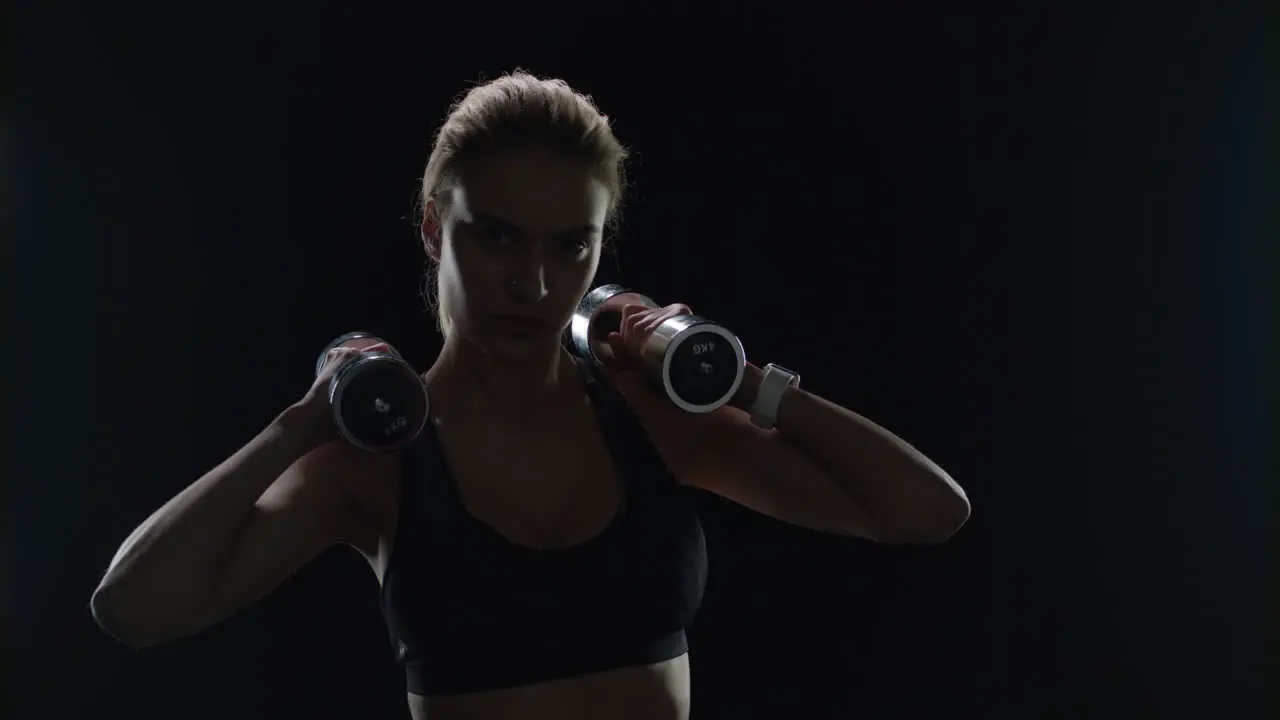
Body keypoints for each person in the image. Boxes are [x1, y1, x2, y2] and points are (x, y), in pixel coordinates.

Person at [90, 71, 971, 720]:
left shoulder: (655, 424)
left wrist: (737, 380)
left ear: (598, 253)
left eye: (569, 248)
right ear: (436, 230)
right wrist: (302, 421)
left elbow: (928, 511)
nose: (534, 284)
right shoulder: (376, 462)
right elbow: (132, 610)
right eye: (499, 238)